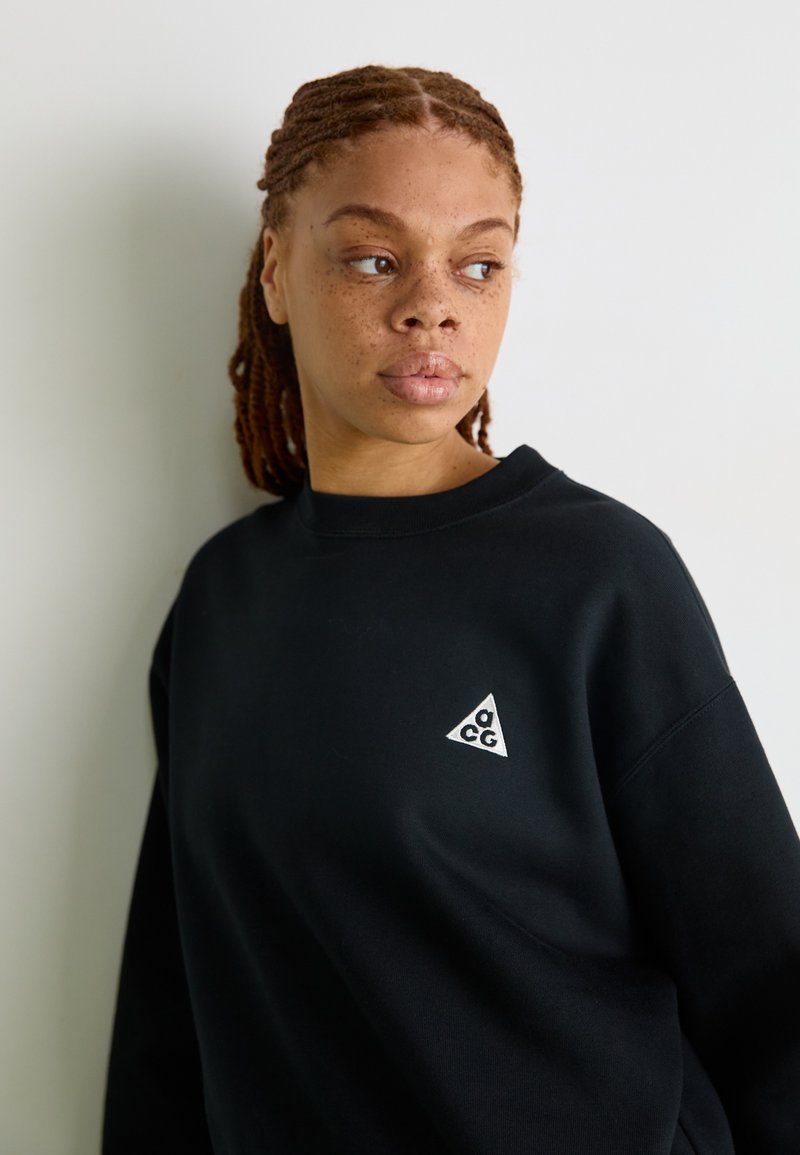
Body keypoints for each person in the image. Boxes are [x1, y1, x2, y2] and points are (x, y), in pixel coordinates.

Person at [101, 64, 800, 1155]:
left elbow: (766, 976)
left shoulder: (599, 576)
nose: (432, 304)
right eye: (373, 258)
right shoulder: (222, 601)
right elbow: (174, 1001)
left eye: (478, 264)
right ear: (277, 271)